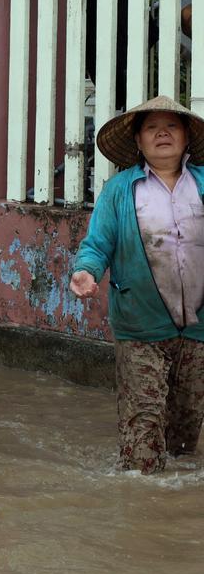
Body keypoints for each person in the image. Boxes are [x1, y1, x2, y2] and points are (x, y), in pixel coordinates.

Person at [70, 95, 204, 474]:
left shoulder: (203, 183)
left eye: (172, 126)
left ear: (187, 138)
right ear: (139, 141)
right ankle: (140, 502)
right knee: (142, 436)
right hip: (140, 325)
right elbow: (98, 244)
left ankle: (170, 516)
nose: (162, 132)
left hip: (199, 330)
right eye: (151, 127)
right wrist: (87, 271)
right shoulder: (120, 190)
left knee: (184, 436)